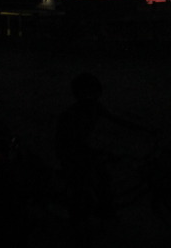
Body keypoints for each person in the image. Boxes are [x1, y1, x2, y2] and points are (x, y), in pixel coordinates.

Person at [55, 72, 153, 245]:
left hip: (83, 151)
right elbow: (71, 143)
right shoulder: (71, 116)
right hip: (71, 154)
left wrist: (143, 129)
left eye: (94, 93)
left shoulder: (94, 107)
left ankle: (104, 212)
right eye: (87, 93)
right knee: (81, 189)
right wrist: (99, 153)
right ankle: (79, 225)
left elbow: (116, 118)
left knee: (103, 180)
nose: (92, 97)